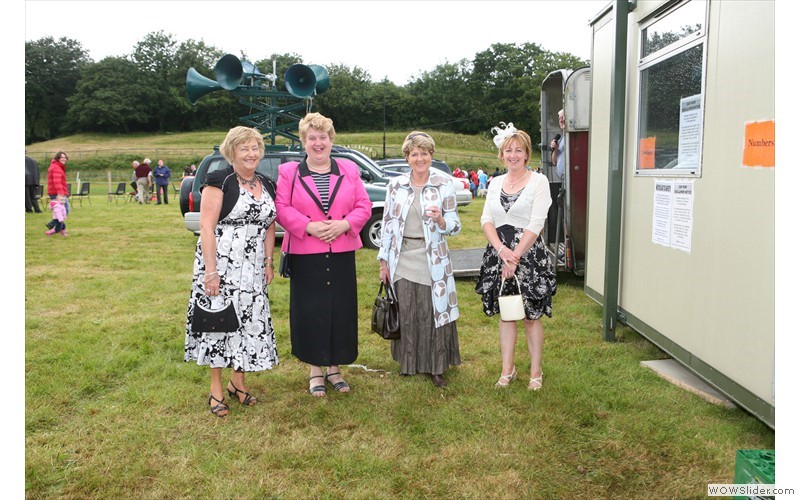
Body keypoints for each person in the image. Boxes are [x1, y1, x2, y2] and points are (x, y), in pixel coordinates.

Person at [184, 126, 279, 417]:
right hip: (222, 266)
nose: (251, 154)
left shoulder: (266, 183)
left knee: (248, 322)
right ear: (232, 151)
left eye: (255, 148)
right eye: (244, 148)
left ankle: (238, 382)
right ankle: (215, 389)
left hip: (252, 270)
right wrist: (210, 272)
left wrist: (268, 262)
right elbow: (206, 227)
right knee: (218, 323)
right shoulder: (219, 181)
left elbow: (270, 224)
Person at [275, 112, 372, 397]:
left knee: (340, 310)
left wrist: (345, 224)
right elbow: (281, 207)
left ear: (331, 140)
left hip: (341, 251)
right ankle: (315, 369)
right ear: (303, 142)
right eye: (312, 138)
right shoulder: (289, 172)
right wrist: (309, 226)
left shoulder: (349, 169)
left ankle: (334, 368)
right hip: (306, 252)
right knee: (311, 311)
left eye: (323, 137)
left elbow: (364, 205)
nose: (318, 143)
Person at [475, 122, 556, 391]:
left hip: (528, 255)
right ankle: (507, 370)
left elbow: (537, 222)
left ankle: (535, 372)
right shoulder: (496, 183)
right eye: (509, 150)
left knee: (531, 316)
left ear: (527, 154)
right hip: (499, 253)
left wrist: (515, 256)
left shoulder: (538, 181)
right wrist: (501, 251)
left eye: (519, 150)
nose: (513, 155)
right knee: (507, 313)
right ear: (502, 154)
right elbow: (486, 219)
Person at [377, 131, 462, 388]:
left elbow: (455, 225)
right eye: (414, 154)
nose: (420, 158)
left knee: (432, 312)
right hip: (401, 257)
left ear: (431, 155)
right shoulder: (396, 185)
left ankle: (436, 367)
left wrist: (441, 220)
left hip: (432, 258)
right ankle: (409, 363)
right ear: (407, 157)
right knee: (407, 312)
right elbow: (388, 224)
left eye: (424, 153)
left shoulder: (443, 184)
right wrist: (383, 262)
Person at [550, 109, 566, 179]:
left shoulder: (571, 138)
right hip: (563, 178)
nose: (561, 121)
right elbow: (554, 162)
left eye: (563, 117)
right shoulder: (560, 139)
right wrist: (555, 150)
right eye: (559, 118)